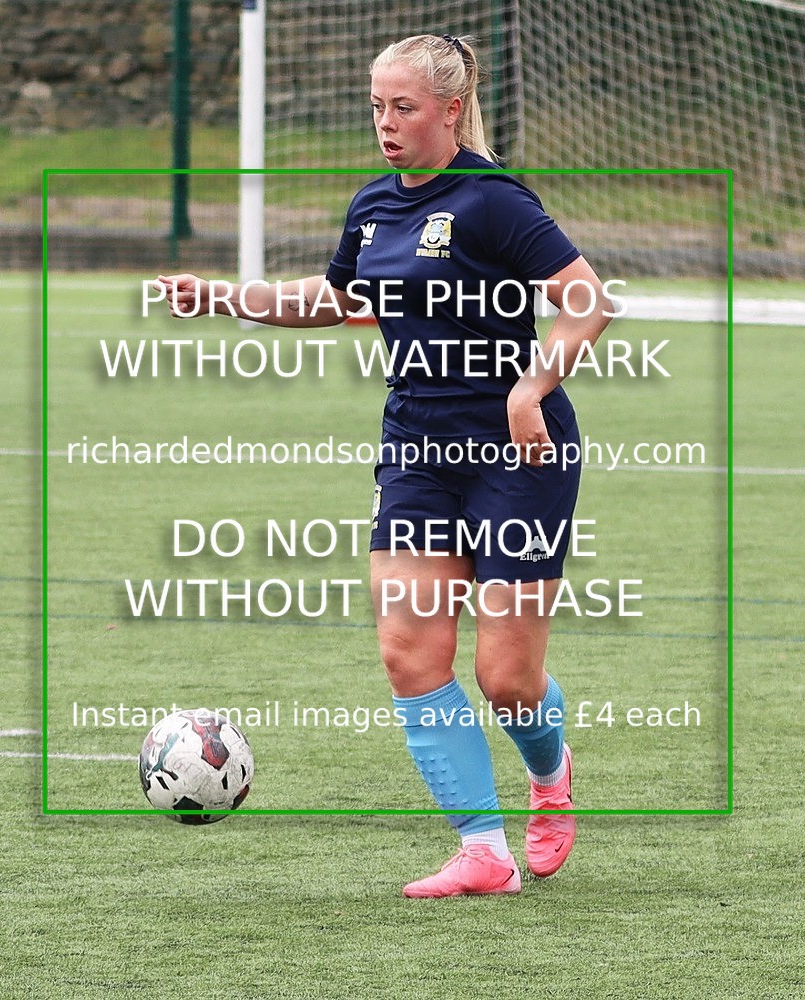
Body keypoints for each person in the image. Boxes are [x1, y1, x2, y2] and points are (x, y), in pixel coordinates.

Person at [156, 33, 614, 898]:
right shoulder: (373, 202)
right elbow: (331, 302)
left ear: (449, 108)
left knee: (504, 678)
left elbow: (586, 301)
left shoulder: (491, 199)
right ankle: (483, 852)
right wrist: (223, 295)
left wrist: (530, 388)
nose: (385, 124)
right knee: (410, 652)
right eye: (375, 106)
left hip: (517, 451)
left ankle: (550, 782)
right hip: (416, 449)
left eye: (402, 107)